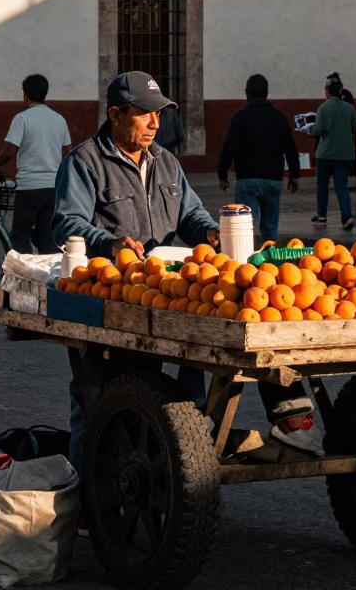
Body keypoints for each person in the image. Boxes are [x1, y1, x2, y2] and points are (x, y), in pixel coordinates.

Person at [52, 70, 317, 464]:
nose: (155, 123)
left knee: (188, 365)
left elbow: (190, 214)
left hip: (162, 288)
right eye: (144, 114)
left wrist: (210, 233)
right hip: (108, 293)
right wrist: (108, 242)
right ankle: (89, 500)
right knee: (97, 399)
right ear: (115, 114)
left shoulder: (166, 162)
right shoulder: (85, 162)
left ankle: (190, 442)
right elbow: (66, 221)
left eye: (159, 113)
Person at [0, 74, 71, 254]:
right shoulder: (59, 119)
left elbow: (9, 151)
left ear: (25, 95)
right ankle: (48, 279)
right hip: (53, 188)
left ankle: (23, 278)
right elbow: (68, 153)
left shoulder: (22, 119)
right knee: (46, 238)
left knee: (20, 237)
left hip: (29, 188)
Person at [216, 73, 300, 243]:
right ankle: (271, 264)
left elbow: (228, 148)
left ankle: (248, 264)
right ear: (266, 93)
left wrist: (222, 174)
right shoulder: (279, 117)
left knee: (246, 227)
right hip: (273, 180)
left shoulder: (239, 118)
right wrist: (294, 175)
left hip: (247, 180)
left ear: (247, 93)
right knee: (270, 228)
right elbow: (290, 148)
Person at [308, 78, 356, 231]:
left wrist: (309, 130)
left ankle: (322, 216)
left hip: (325, 154)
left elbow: (318, 130)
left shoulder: (323, 108)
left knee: (322, 186)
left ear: (327, 92)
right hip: (345, 154)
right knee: (341, 186)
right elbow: (355, 128)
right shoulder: (350, 108)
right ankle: (346, 217)